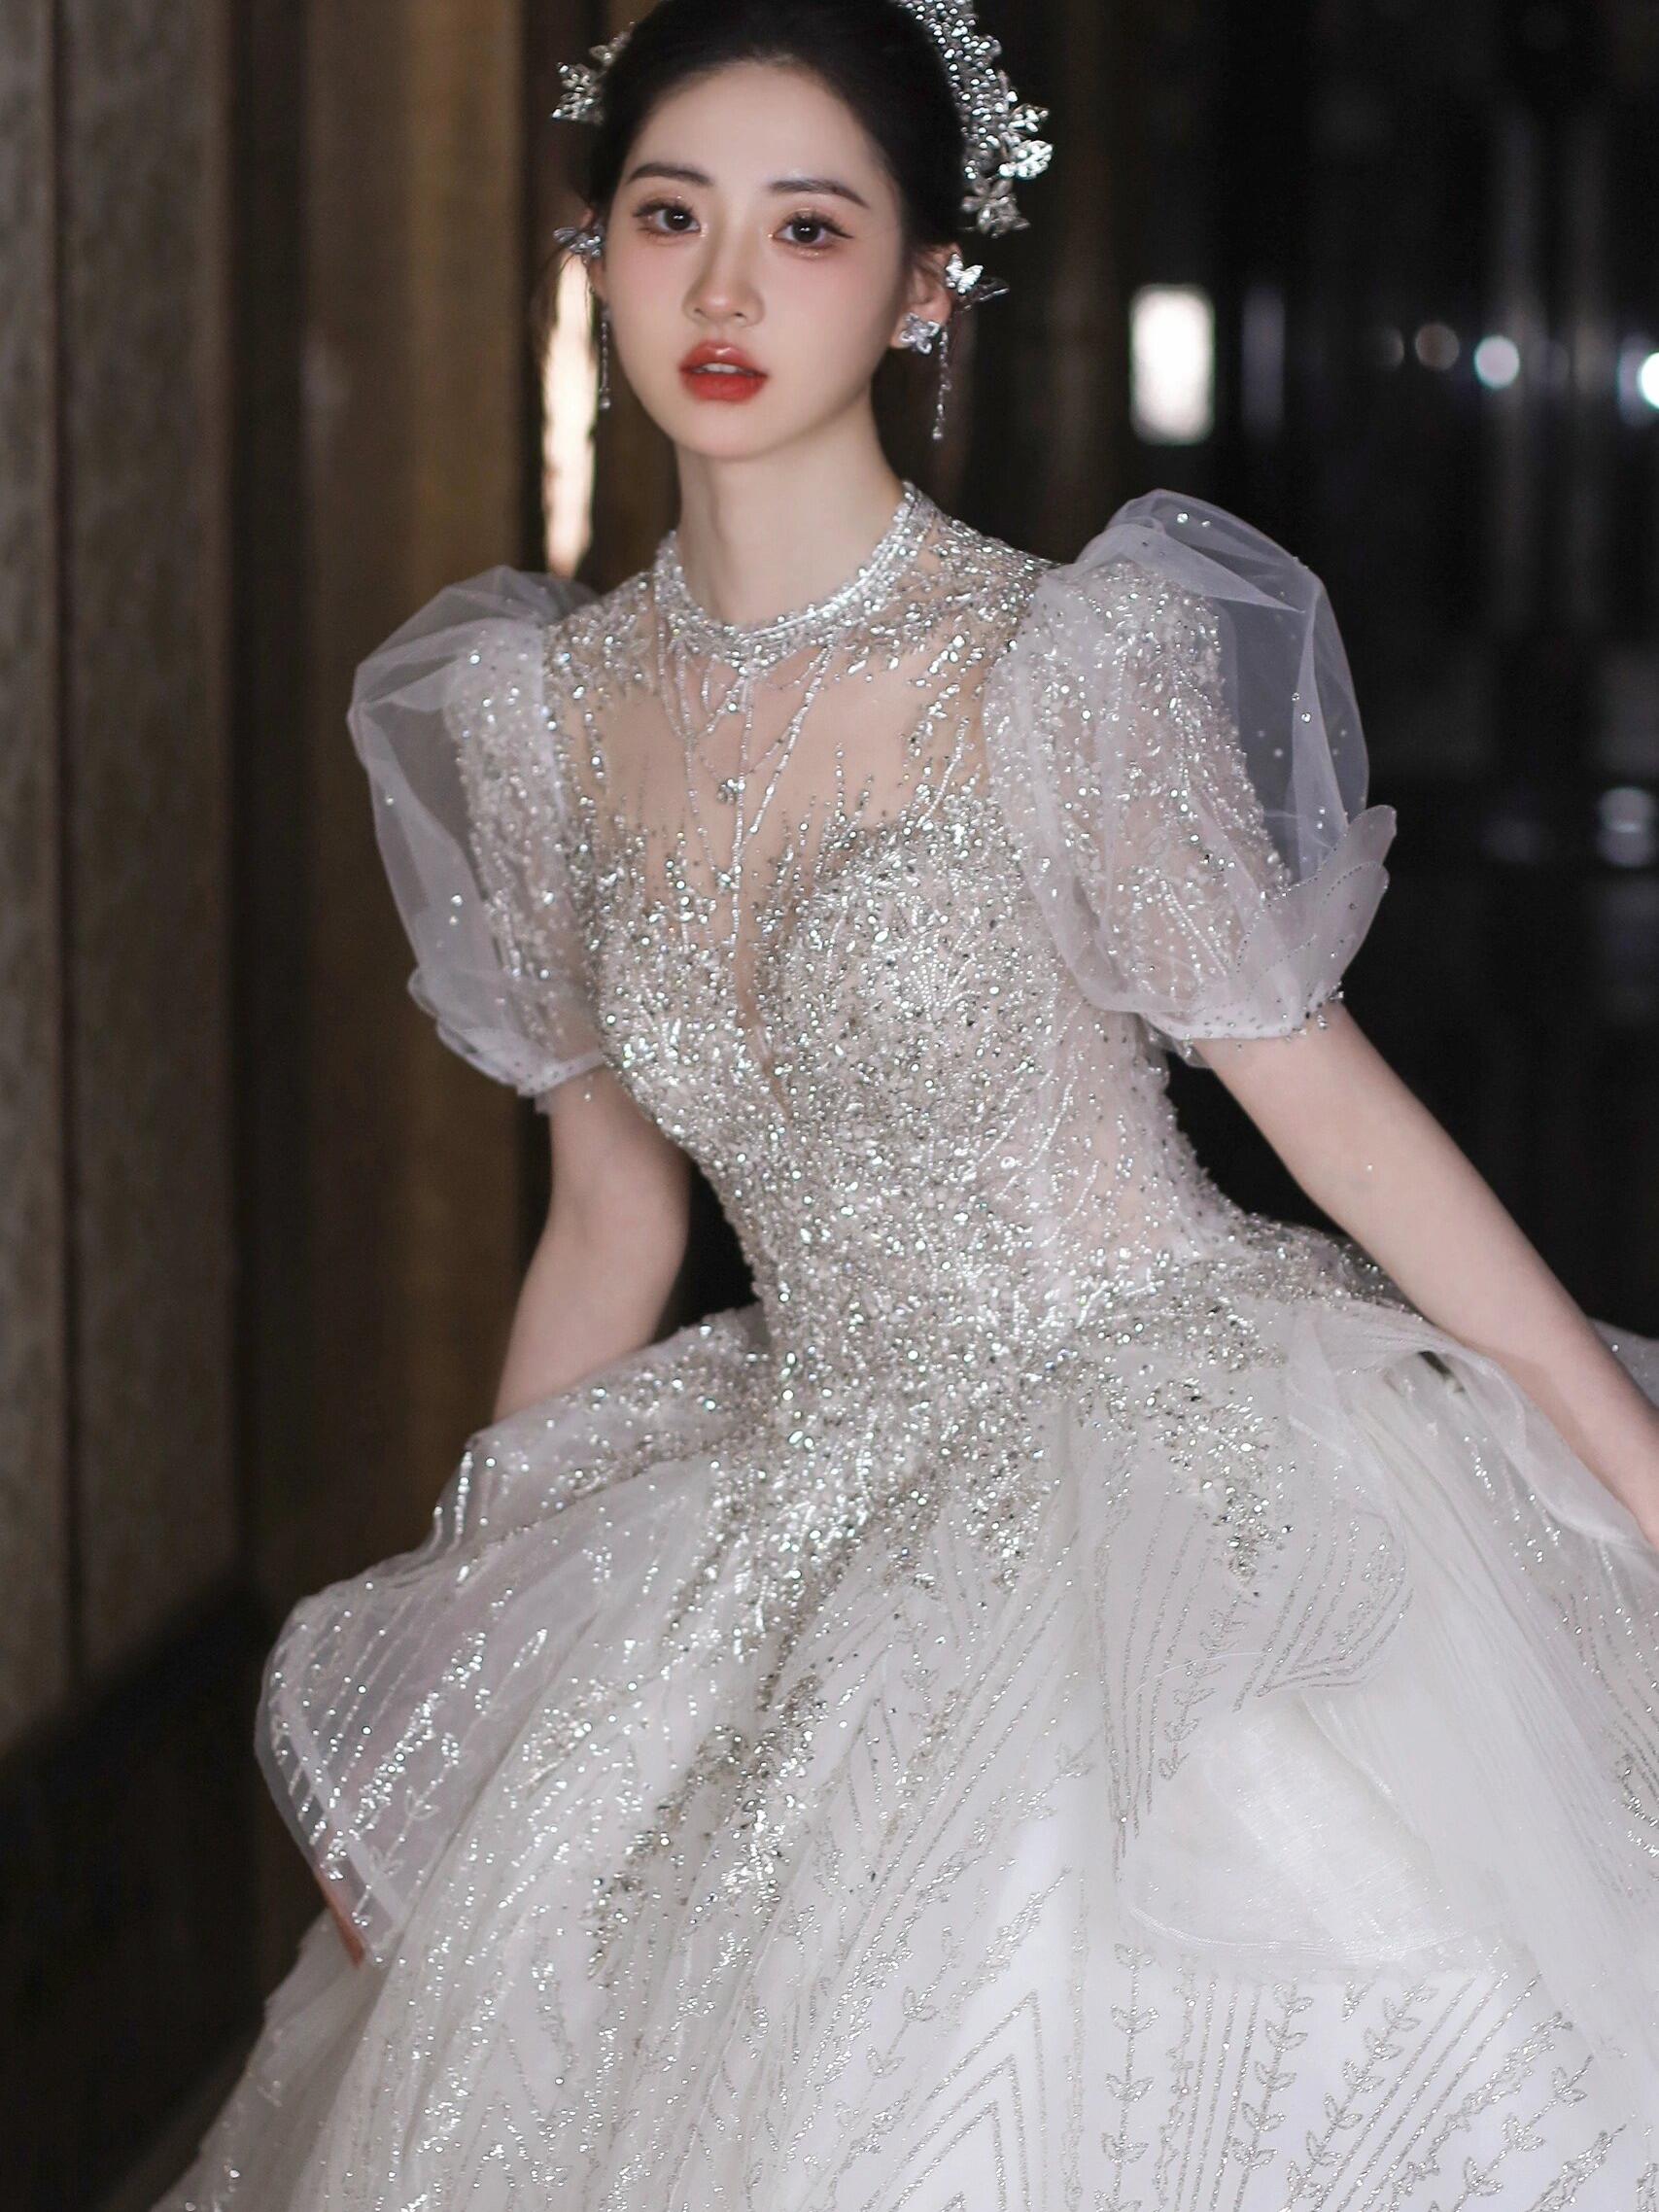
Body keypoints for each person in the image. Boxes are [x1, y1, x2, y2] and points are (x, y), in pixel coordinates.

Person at [155, 1, 1659, 2204]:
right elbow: (607, 1219)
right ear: (593, 255)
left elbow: (1328, 1111)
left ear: (923, 286)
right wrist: (465, 1687)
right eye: (669, 217)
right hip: (794, 1471)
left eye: (807, 229)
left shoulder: (1059, 668)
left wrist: (1633, 1479)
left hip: (1153, 1457)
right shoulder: (538, 721)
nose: (726, 290)